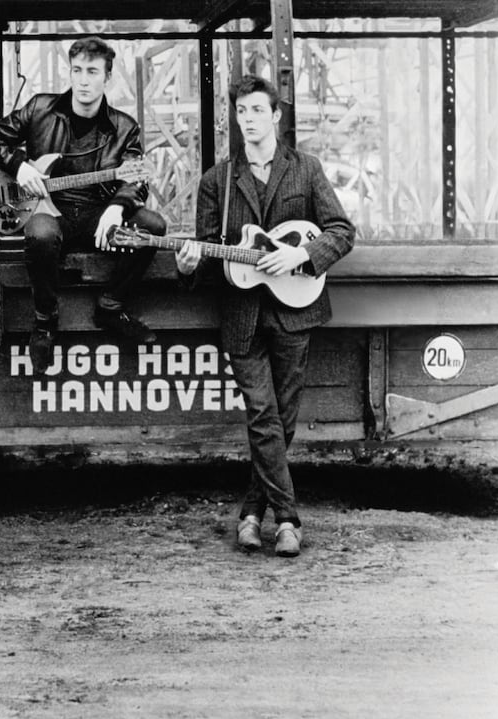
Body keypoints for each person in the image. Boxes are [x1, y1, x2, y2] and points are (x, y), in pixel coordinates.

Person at [177, 75, 355, 557]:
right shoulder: (218, 181)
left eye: (258, 110)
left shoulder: (307, 169)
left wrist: (300, 258)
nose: (249, 119)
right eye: (242, 111)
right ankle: (289, 520)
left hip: (296, 309)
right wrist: (189, 264)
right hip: (242, 315)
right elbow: (209, 253)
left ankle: (252, 514)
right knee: (262, 414)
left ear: (276, 116)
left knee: (283, 418)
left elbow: (341, 230)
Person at [0, 36, 166, 371]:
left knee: (152, 227)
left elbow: (136, 179)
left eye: (92, 71)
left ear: (108, 78)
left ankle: (111, 305)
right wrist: (20, 167)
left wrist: (118, 206)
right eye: (77, 70)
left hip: (96, 216)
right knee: (41, 234)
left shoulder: (125, 128)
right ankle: (45, 318)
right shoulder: (39, 109)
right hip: (47, 210)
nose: (83, 80)